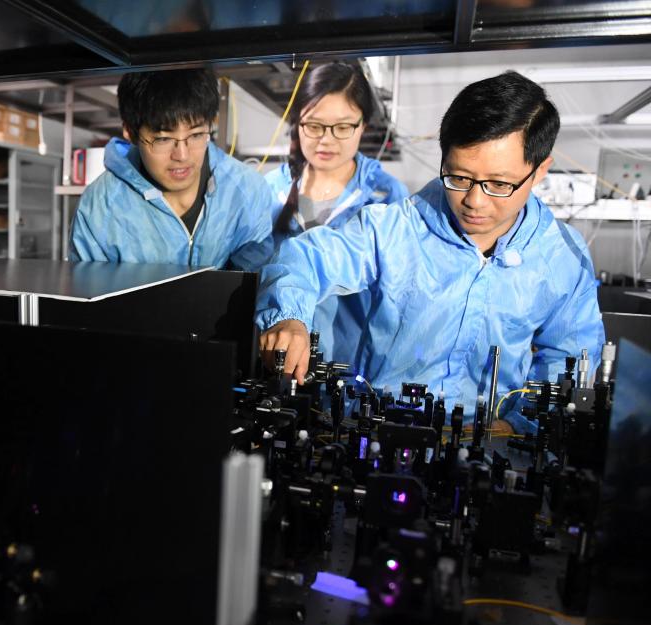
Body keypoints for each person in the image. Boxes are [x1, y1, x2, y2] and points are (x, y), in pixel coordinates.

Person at [256, 70, 605, 434]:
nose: (474, 201)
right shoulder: (394, 229)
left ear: (539, 170)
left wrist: (518, 425)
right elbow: (304, 260)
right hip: (380, 434)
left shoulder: (561, 256)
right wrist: (289, 318)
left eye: (499, 184)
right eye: (459, 178)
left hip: (491, 443)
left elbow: (568, 356)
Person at [264, 61, 408, 363]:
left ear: (363, 126)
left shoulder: (385, 197)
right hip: (277, 360)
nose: (326, 140)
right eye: (314, 125)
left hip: (350, 365)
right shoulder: (269, 191)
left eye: (342, 127)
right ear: (298, 124)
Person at [70, 68, 273, 271]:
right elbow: (88, 287)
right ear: (131, 132)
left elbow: (256, 279)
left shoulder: (247, 192)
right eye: (163, 139)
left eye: (196, 135)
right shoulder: (100, 208)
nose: (182, 155)